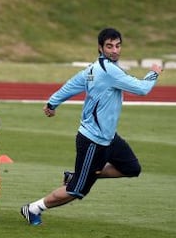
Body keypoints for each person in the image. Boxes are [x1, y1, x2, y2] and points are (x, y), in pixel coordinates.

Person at [20, 28, 163, 226]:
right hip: (93, 141)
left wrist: (53, 103)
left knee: (131, 168)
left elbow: (72, 84)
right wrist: (154, 73)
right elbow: (142, 89)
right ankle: (33, 208)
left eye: (118, 45)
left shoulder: (93, 69)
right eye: (109, 46)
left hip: (109, 138)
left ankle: (78, 175)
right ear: (100, 47)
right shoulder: (108, 70)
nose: (114, 50)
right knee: (75, 191)